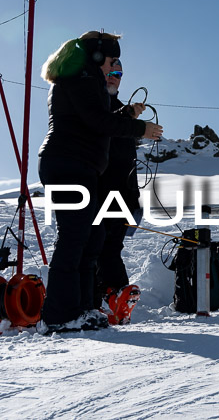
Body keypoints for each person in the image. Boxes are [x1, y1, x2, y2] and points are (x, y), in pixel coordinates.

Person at [36, 31, 162, 333]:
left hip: (77, 166)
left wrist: (126, 114)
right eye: (112, 61)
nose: (114, 68)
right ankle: (58, 314)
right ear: (97, 57)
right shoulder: (82, 79)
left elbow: (94, 117)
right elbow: (98, 121)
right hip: (68, 164)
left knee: (91, 237)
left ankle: (82, 309)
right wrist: (138, 127)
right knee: (75, 236)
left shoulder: (84, 80)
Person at [94, 59, 143, 324]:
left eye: (118, 74)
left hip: (122, 195)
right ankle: (112, 297)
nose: (113, 78)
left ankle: (114, 299)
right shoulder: (96, 108)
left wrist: (135, 202)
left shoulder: (122, 111)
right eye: (109, 73)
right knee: (97, 247)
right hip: (97, 191)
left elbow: (127, 163)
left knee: (109, 246)